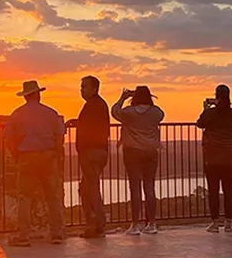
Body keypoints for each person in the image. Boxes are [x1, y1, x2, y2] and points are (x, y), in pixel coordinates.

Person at [3, 80, 66, 247]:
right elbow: (60, 136)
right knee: (53, 196)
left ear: (25, 97)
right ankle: (57, 233)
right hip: (48, 156)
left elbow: (8, 139)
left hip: (27, 157)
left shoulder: (17, 114)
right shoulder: (51, 113)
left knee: (25, 197)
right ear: (38, 94)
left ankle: (23, 235)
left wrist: (18, 155)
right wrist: (56, 155)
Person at [112, 85, 164, 235]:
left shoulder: (128, 113)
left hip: (132, 152)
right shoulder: (156, 112)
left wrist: (122, 98)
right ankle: (152, 223)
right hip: (151, 152)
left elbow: (115, 111)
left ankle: (135, 225)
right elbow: (161, 116)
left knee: (135, 188)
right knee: (149, 187)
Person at [197, 84, 232, 233]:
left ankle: (215, 223)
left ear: (216, 96)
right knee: (229, 190)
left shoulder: (210, 113)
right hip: (229, 156)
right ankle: (228, 223)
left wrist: (205, 108)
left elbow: (200, 124)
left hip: (212, 157)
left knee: (214, 190)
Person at [70, 75, 111, 238]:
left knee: (90, 189)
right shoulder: (99, 105)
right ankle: (95, 223)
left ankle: (96, 225)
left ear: (94, 88)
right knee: (86, 188)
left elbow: (90, 129)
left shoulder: (92, 105)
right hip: (99, 151)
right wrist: (78, 122)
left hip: (91, 152)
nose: (81, 90)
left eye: (84, 87)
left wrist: (82, 149)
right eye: (81, 87)